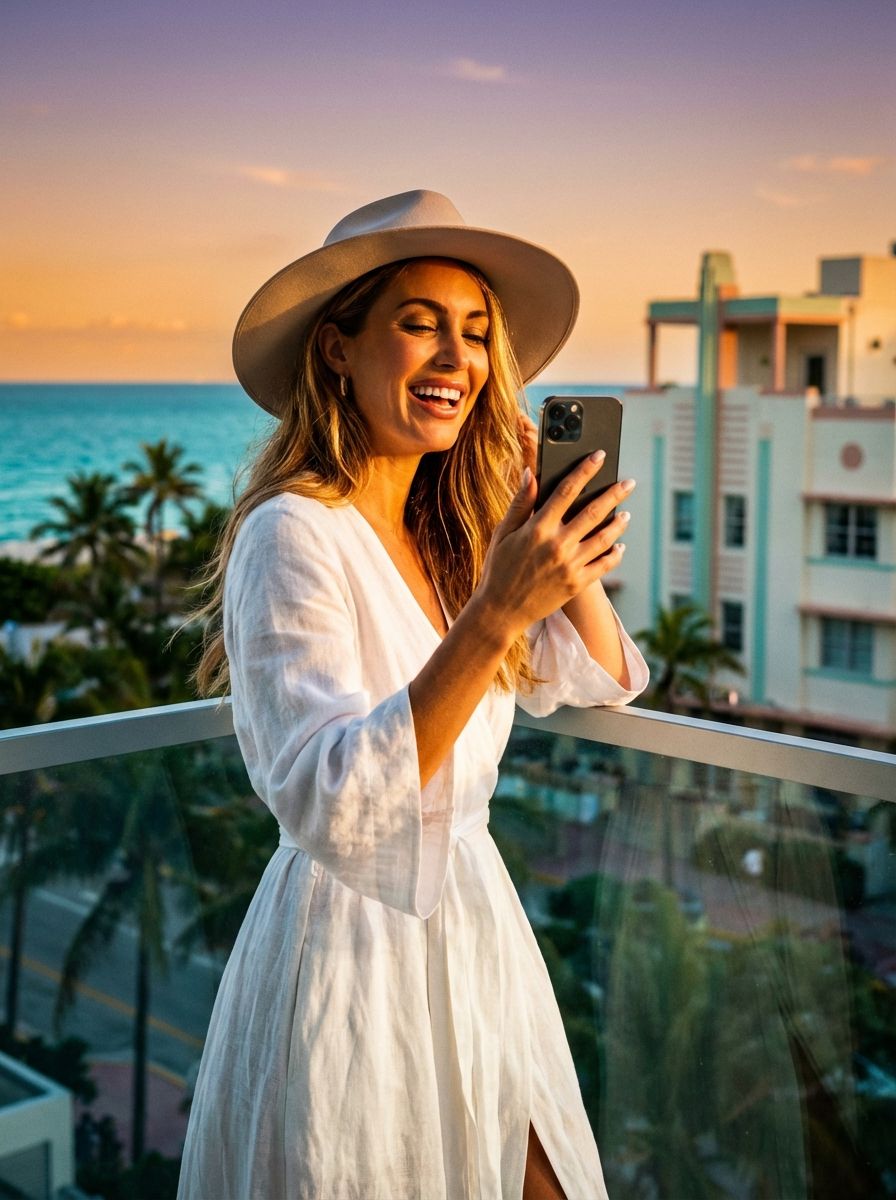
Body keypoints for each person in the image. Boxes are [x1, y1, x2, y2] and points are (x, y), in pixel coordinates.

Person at [178, 190, 648, 1200]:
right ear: (338, 349)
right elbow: (327, 796)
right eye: (419, 324)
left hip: (475, 927)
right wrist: (492, 613)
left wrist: (559, 548)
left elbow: (599, 681)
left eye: (475, 333)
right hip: (351, 952)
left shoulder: (459, 536)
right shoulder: (291, 533)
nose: (454, 358)